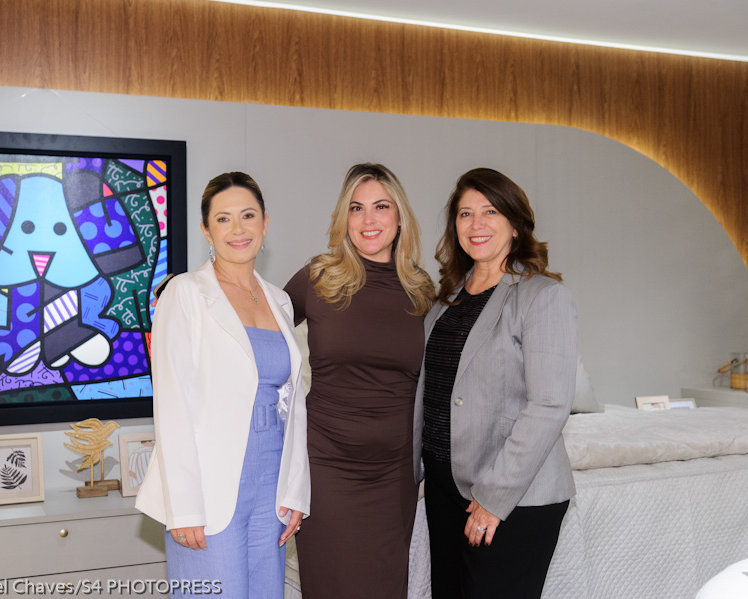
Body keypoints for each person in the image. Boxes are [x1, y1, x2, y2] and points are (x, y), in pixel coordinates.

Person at [136, 172, 310, 599]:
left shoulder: (280, 300)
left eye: (248, 216)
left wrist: (296, 489)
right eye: (223, 218)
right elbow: (172, 404)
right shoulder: (185, 293)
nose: (238, 229)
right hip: (208, 488)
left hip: (272, 484)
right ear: (206, 230)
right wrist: (183, 507)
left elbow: (294, 404)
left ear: (265, 223)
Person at [413, 167, 577, 598]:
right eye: (465, 214)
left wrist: (492, 499)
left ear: (515, 223)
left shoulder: (542, 296)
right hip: (446, 490)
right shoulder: (446, 299)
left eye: (490, 211)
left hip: (512, 496)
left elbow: (549, 405)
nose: (476, 224)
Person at [284, 163, 435, 599]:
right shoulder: (318, 277)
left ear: (400, 217)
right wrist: (194, 298)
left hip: (395, 473)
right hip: (327, 467)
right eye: (356, 208)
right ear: (344, 218)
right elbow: (258, 329)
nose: (369, 219)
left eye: (381, 207)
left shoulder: (422, 290)